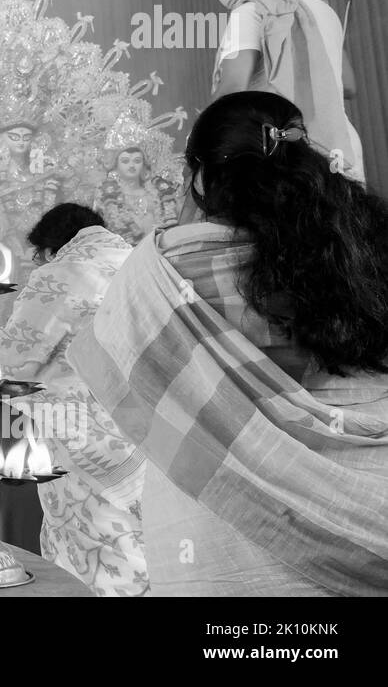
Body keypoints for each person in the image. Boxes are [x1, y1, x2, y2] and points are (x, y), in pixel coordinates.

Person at [70, 91, 388, 596]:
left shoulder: (161, 268)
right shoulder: (364, 252)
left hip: (217, 520)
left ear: (198, 176)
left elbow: (123, 376)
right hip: (367, 513)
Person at [0, 203, 147, 596]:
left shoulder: (60, 273)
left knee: (89, 534)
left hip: (81, 429)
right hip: (148, 427)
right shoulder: (142, 267)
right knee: (142, 535)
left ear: (49, 247)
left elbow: (17, 358)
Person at [210, 0, 364, 182]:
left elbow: (233, 87)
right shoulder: (324, 11)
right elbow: (349, 86)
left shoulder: (252, 9)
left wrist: (203, 139)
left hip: (283, 149)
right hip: (340, 146)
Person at [95, 146, 179, 245]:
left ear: (144, 165)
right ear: (116, 166)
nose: (131, 165)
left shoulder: (158, 193)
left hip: (157, 248)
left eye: (137, 161)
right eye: (125, 161)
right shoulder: (105, 196)